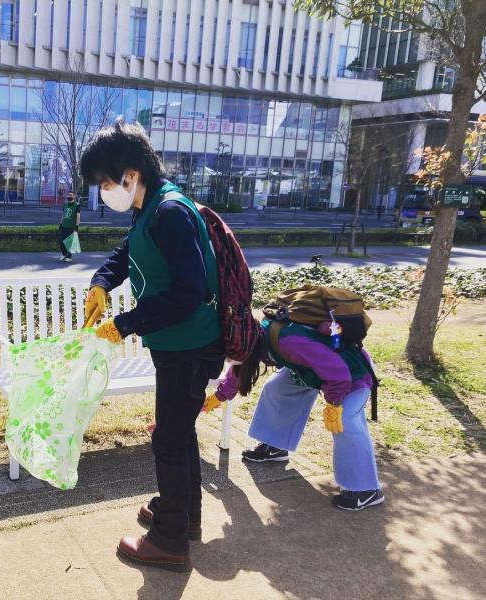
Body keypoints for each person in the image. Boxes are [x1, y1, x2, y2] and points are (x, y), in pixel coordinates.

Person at [81, 121, 223, 572]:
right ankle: (183, 515)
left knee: (169, 439)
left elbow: (189, 292)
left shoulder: (170, 213)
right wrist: (101, 283)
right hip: (175, 344)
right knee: (179, 434)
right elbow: (127, 252)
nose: (104, 191)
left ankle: (169, 540)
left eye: (106, 182)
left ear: (131, 173)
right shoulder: (149, 209)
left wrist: (125, 324)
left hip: (189, 346)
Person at [206, 317, 384, 511]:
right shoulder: (255, 336)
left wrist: (334, 404)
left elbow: (338, 373)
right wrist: (221, 395)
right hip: (311, 369)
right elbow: (241, 365)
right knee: (277, 388)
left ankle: (366, 490)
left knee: (346, 421)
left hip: (351, 373)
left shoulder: (289, 342)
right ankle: (275, 446)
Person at [57, 191, 80, 262]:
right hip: (64, 226)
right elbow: (63, 215)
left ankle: (69, 256)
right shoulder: (65, 204)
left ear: (74, 197)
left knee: (70, 242)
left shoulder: (77, 205)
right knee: (61, 241)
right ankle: (64, 254)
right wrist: (60, 224)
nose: (69, 196)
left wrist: (76, 226)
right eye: (68, 195)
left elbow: (78, 217)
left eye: (71, 195)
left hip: (71, 226)